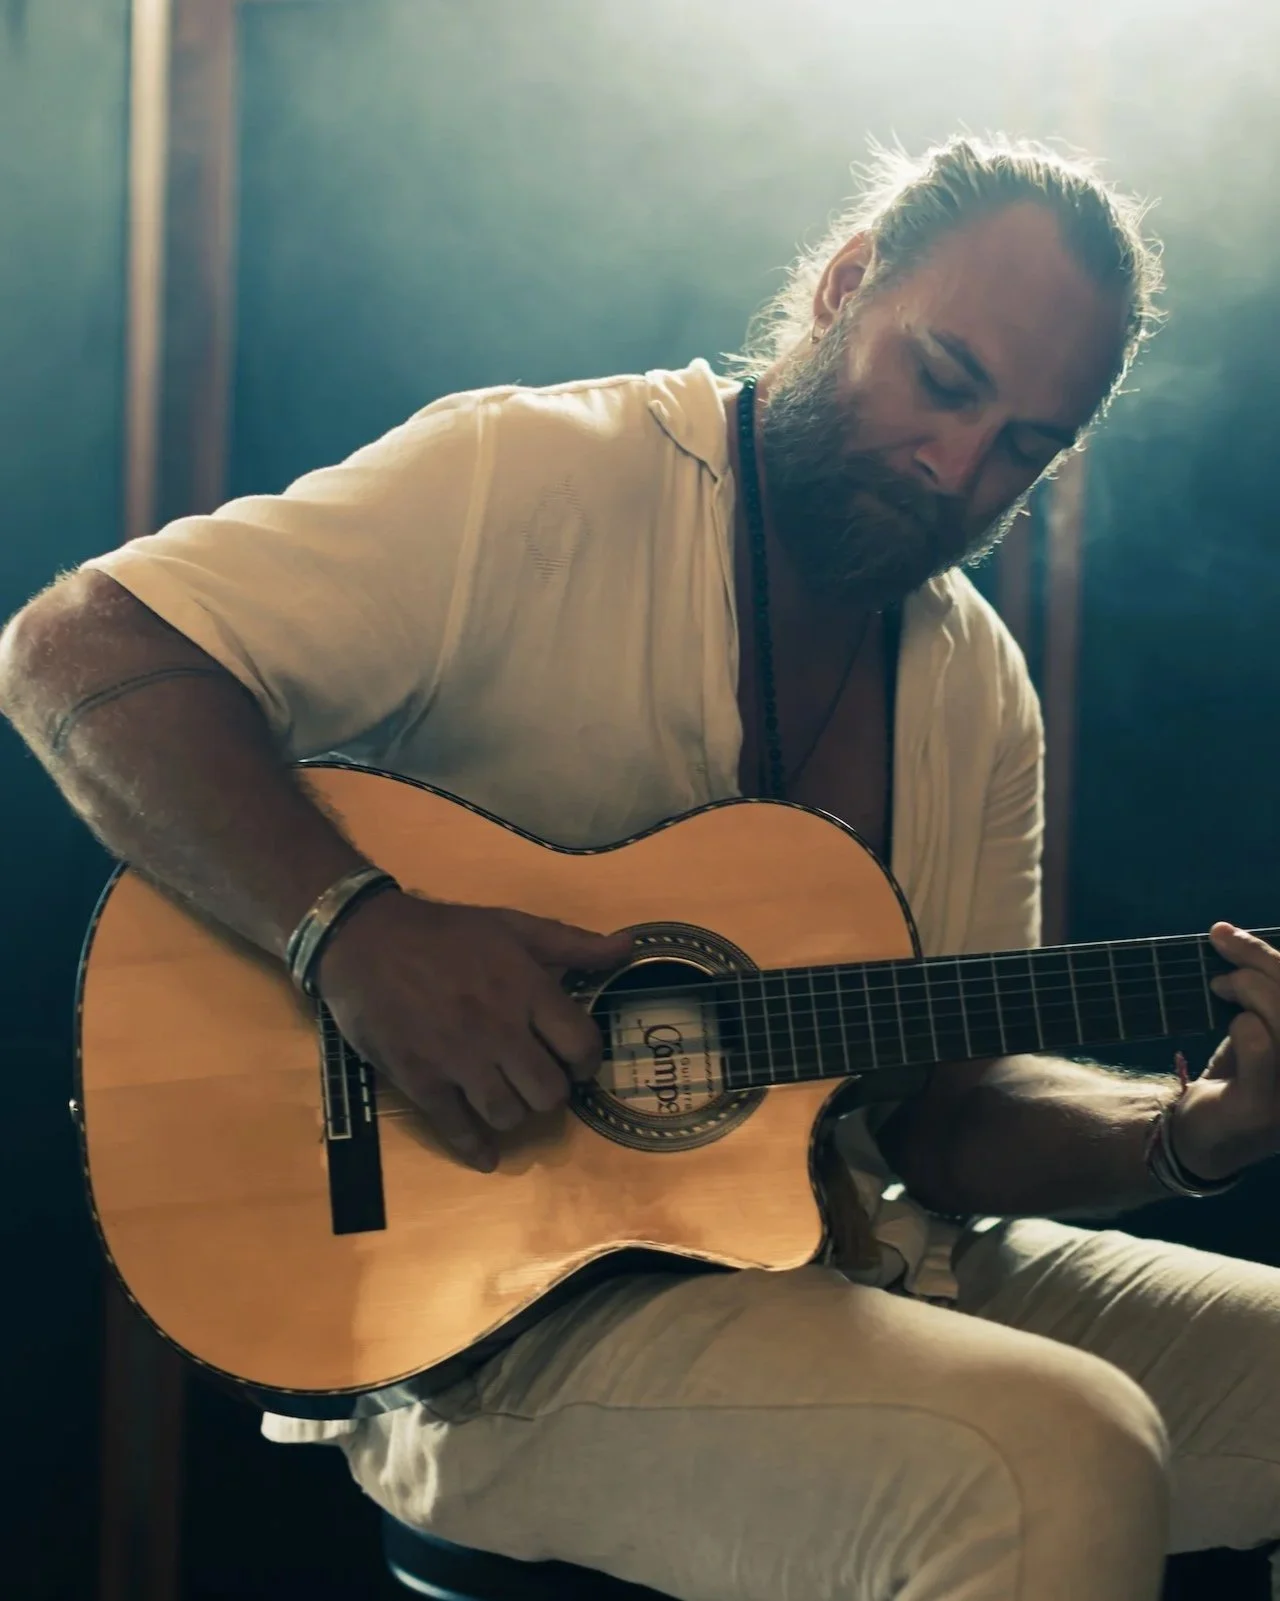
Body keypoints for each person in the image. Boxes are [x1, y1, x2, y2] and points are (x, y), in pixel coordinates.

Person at [4, 134, 1280, 1601]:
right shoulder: (535, 478)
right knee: (1058, 1456)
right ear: (846, 286)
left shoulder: (977, 689)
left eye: (1026, 448)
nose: (957, 469)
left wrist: (1193, 1134)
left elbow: (946, 1110)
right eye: (945, 379)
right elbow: (74, 651)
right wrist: (353, 931)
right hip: (493, 1331)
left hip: (851, 1256)